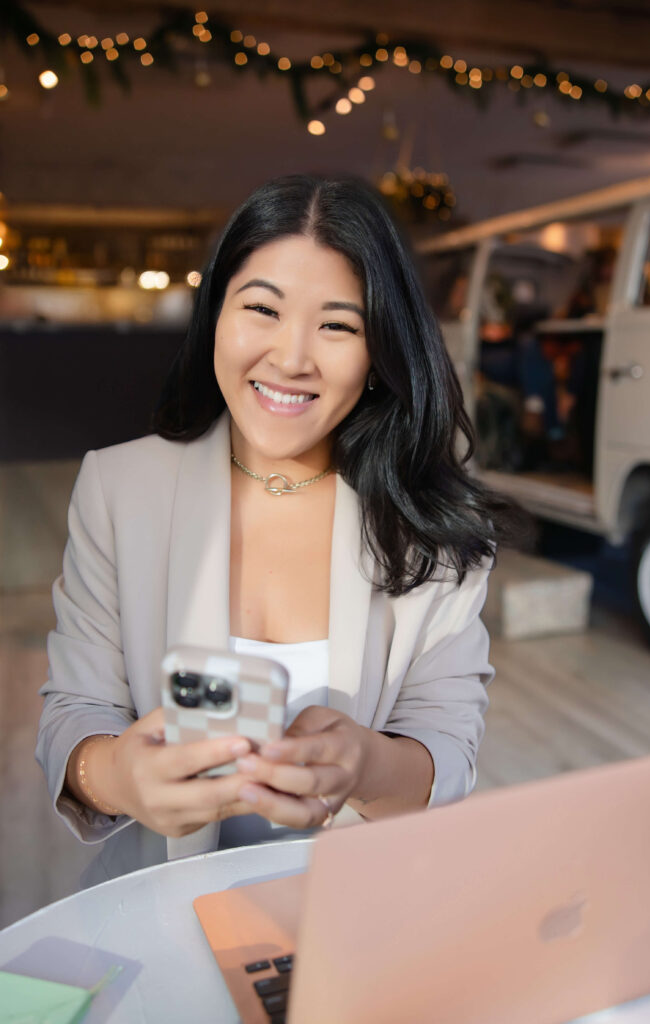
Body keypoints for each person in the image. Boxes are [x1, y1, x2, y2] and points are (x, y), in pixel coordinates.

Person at [37, 175, 517, 886]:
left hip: (358, 910)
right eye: (262, 309)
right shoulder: (119, 488)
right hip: (157, 906)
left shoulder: (431, 525)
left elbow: (447, 750)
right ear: (215, 315)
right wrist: (118, 776)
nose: (291, 358)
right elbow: (75, 714)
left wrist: (366, 764)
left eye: (338, 325)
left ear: (379, 352)